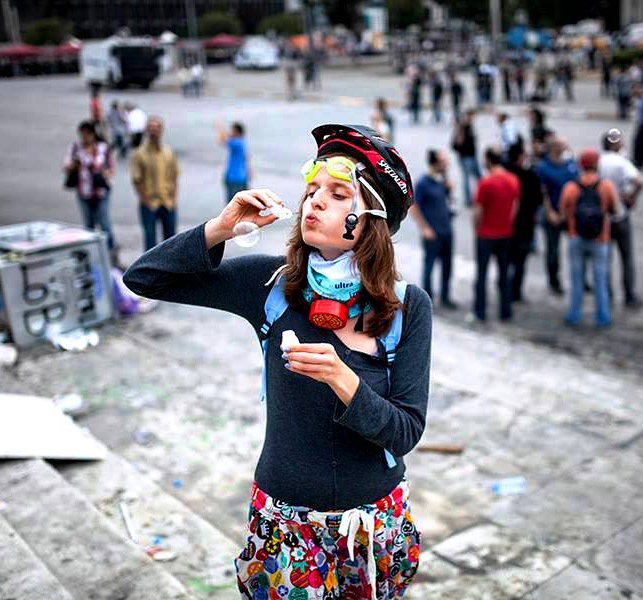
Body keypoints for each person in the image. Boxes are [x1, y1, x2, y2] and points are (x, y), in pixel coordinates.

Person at [124, 123, 427, 599]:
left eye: (338, 193)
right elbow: (144, 279)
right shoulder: (271, 284)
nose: (315, 202)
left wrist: (344, 380)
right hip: (283, 526)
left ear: (373, 218)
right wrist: (219, 228)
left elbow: (406, 432)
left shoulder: (408, 305)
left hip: (373, 529)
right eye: (311, 191)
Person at [559, 150, 619, 328]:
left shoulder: (571, 187)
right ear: (597, 165)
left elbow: (563, 211)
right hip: (600, 239)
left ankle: (574, 315)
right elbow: (614, 210)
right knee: (600, 280)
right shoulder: (606, 186)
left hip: (575, 237)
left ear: (580, 166)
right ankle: (602, 317)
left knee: (577, 280)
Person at [599, 128, 643, 307]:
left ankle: (607, 294)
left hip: (604, 218)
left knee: (606, 258)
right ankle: (628, 295)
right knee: (626, 257)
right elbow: (640, 181)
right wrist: (632, 196)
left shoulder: (599, 161)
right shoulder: (621, 161)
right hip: (620, 216)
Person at [472, 146, 520, 322]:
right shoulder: (513, 180)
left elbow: (478, 211)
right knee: (504, 273)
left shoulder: (486, 182)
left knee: (482, 275)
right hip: (505, 233)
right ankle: (505, 311)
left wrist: (476, 229)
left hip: (486, 234)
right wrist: (508, 223)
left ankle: (480, 311)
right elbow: (515, 205)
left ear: (489, 160)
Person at [409, 149, 456, 308]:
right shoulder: (423, 182)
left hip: (446, 230)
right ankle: (427, 298)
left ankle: (445, 296)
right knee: (429, 266)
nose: (446, 164)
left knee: (447, 266)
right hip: (432, 232)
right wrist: (424, 228)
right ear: (435, 163)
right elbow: (413, 207)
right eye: (443, 161)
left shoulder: (442, 181)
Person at [63, 121, 116, 253]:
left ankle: (110, 251)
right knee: (88, 224)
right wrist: (75, 164)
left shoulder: (103, 148)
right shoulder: (75, 148)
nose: (85, 137)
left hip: (101, 191)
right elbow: (66, 166)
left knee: (105, 223)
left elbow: (111, 167)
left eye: (87, 134)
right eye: (82, 134)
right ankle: (92, 252)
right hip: (84, 192)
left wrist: (104, 174)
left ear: (93, 134)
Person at [536, 136, 579, 295]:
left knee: (577, 248)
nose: (566, 147)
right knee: (553, 250)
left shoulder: (570, 164)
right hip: (552, 214)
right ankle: (554, 280)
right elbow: (543, 192)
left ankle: (581, 279)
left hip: (570, 214)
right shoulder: (543, 167)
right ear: (554, 148)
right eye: (563, 145)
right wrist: (550, 213)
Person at [130, 117, 181, 251]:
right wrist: (145, 199)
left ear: (161, 130)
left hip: (167, 202)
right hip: (149, 204)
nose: (154, 131)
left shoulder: (168, 152)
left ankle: (171, 270)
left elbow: (175, 176)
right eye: (151, 128)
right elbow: (136, 180)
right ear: (147, 130)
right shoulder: (139, 154)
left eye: (156, 128)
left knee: (171, 242)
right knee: (150, 242)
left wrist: (173, 198)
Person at [506, 141, 543, 303]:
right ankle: (516, 292)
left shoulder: (505, 173)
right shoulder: (530, 175)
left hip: (506, 225)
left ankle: (505, 289)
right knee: (520, 261)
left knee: (506, 261)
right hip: (525, 225)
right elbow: (538, 199)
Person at [216, 121, 251, 205]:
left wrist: (219, 128)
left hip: (234, 178)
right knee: (243, 205)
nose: (230, 132)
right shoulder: (242, 142)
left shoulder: (236, 143)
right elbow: (246, 159)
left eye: (232, 130)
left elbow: (221, 139)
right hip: (242, 177)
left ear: (236, 131)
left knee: (232, 206)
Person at [451, 110, 481, 207]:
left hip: (473, 156)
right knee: (466, 178)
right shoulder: (461, 128)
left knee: (479, 177)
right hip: (465, 158)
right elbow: (454, 145)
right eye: (470, 117)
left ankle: (481, 196)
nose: (472, 119)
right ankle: (468, 200)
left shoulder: (470, 127)